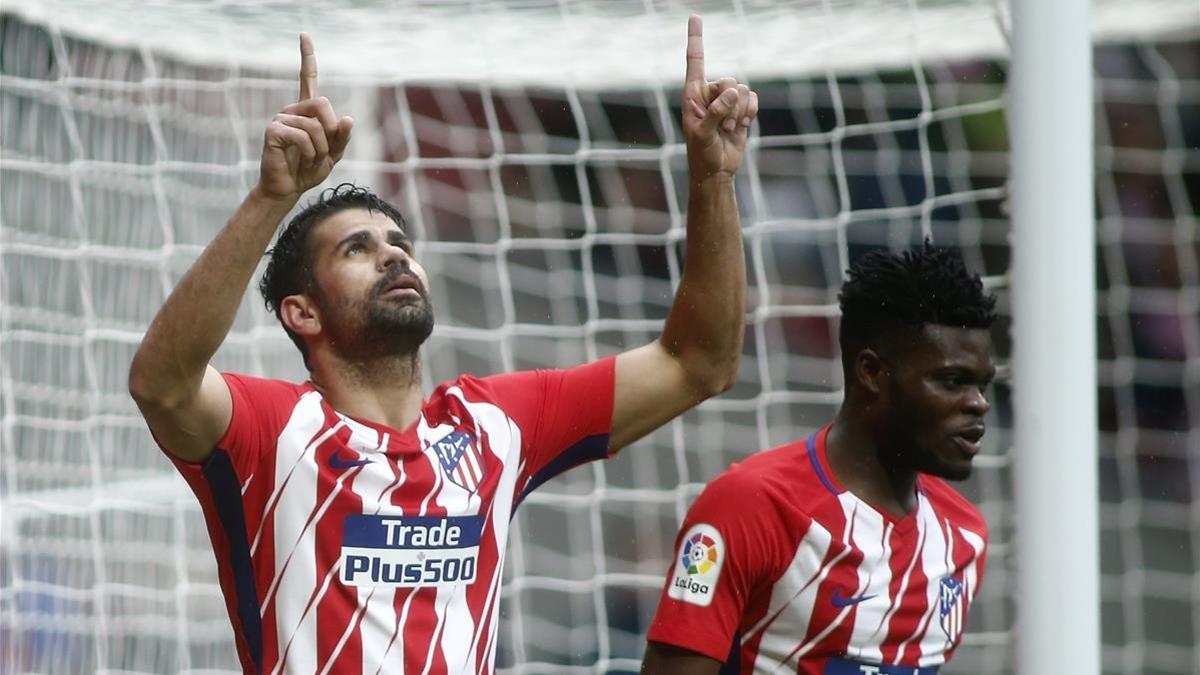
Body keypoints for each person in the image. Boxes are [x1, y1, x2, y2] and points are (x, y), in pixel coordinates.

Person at [127, 18, 758, 675]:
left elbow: (699, 362)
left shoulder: (491, 426)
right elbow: (161, 383)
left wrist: (712, 178)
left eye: (400, 245)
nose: (394, 257)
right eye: (358, 249)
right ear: (302, 311)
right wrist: (271, 198)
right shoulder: (274, 432)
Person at [641, 244, 997, 674]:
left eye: (982, 385)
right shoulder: (753, 506)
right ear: (871, 372)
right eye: (953, 380)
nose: (978, 404)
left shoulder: (964, 537)